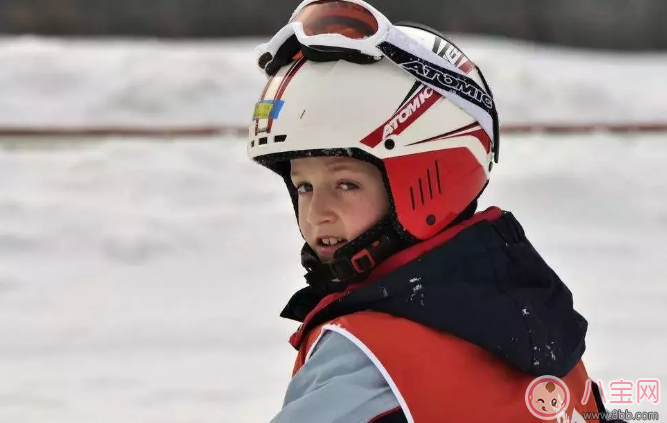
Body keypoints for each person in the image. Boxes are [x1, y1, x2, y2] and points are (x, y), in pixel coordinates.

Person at [247, 1, 616, 421]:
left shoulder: (365, 355)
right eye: (304, 187)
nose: (317, 214)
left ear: (429, 179)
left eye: (346, 184)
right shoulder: (536, 315)